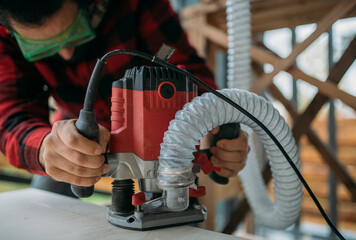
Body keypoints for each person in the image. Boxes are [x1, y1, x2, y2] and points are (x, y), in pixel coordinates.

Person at [0, 0, 249, 195]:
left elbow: (184, 66)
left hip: (160, 136)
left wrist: (209, 130)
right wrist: (44, 149)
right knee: (46, 206)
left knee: (180, 215)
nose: (66, 54)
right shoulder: (5, 30)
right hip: (78, 137)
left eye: (75, 32)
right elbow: (11, 116)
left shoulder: (133, 3)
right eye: (45, 47)